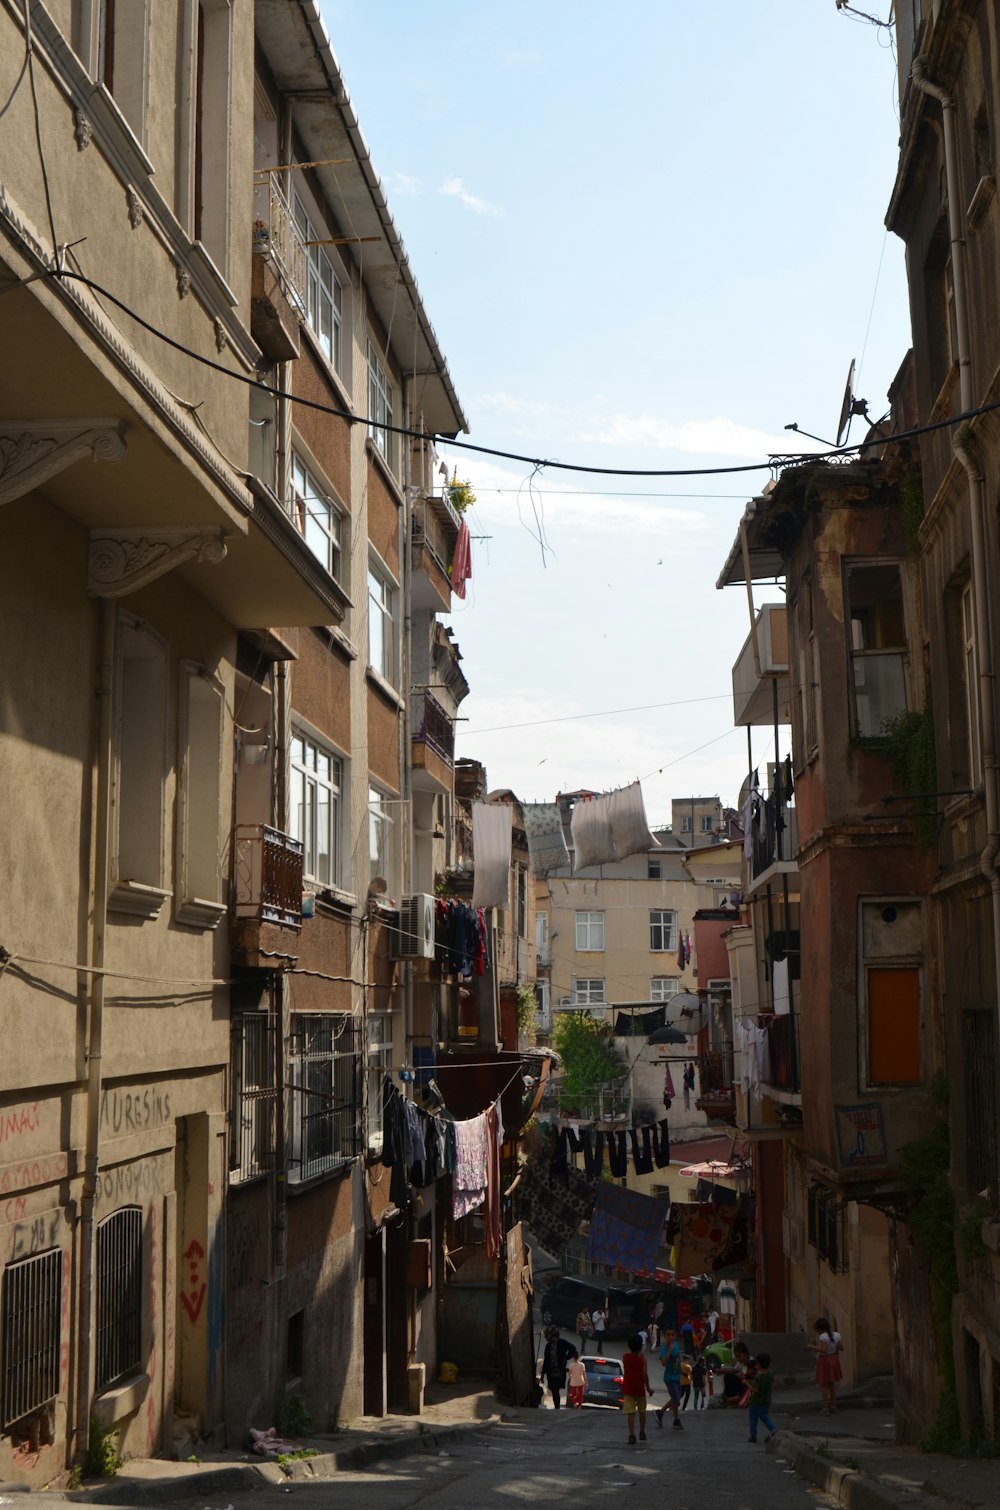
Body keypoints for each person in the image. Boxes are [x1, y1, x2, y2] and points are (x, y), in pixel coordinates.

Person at [622, 1333, 654, 1445]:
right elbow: (645, 1375)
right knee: (642, 1411)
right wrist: (648, 1388)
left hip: (628, 1389)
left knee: (630, 1413)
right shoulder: (643, 1360)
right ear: (641, 1346)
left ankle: (632, 1435)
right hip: (640, 1389)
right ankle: (642, 1432)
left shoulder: (625, 1357)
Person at [807, 1317, 843, 1413]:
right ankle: (834, 1406)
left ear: (820, 1329)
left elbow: (823, 1350)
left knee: (824, 1386)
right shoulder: (837, 1335)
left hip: (825, 1360)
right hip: (834, 1359)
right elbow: (841, 1348)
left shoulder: (823, 1337)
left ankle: (825, 1408)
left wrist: (812, 1346)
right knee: (832, 1385)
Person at [654, 1327, 684, 1430]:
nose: (670, 1337)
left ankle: (676, 1420)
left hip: (677, 1376)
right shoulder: (665, 1348)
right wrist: (669, 1351)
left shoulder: (675, 1345)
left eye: (672, 1335)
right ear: (665, 1336)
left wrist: (682, 1372)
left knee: (676, 1398)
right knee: (676, 1400)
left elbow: (678, 1360)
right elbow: (663, 1363)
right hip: (669, 1378)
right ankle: (660, 1412)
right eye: (668, 1335)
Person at [539, 1326, 574, 1409]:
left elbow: (573, 1349)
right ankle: (556, 1406)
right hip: (552, 1370)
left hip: (559, 1370)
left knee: (555, 1389)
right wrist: (543, 1374)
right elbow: (546, 1360)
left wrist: (566, 1357)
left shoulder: (561, 1343)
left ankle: (557, 1407)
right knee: (554, 1389)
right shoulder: (549, 1345)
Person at [746, 1350, 776, 1442]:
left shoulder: (759, 1377)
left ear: (759, 1365)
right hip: (766, 1400)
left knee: (753, 1418)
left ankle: (753, 1435)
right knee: (764, 1416)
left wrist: (747, 1384)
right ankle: (773, 1429)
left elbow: (755, 1389)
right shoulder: (770, 1374)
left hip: (756, 1402)